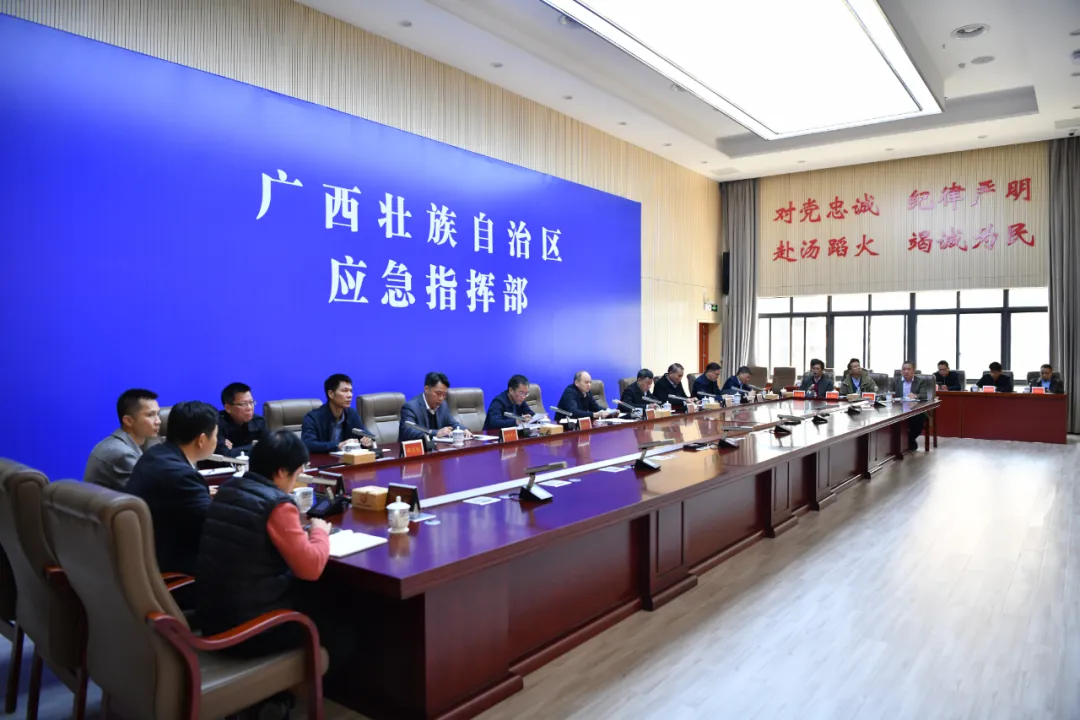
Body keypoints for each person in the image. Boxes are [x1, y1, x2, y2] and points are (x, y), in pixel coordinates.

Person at [196, 430, 353, 718]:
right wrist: (319, 532)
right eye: (298, 470)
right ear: (281, 471)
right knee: (342, 631)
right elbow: (311, 568)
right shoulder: (277, 505)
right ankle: (280, 699)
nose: (300, 476)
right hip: (247, 630)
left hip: (210, 616)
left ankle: (274, 697)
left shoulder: (229, 488)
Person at [126, 401, 217, 575]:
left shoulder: (154, 454)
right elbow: (215, 526)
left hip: (149, 554)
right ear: (201, 440)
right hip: (175, 567)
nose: (216, 440)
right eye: (216, 435)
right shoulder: (183, 477)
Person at [84, 388, 161, 490]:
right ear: (128, 421)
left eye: (158, 414)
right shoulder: (122, 454)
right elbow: (151, 492)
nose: (158, 421)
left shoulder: (125, 443)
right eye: (150, 415)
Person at [301, 374, 373, 453]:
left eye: (350, 391)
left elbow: (366, 434)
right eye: (345, 391)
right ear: (331, 394)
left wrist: (368, 440)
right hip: (323, 459)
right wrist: (337, 445)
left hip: (347, 459)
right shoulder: (313, 418)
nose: (350, 395)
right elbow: (308, 444)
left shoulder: (352, 414)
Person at [399, 372, 470, 441]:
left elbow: (452, 423)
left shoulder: (443, 405)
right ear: (426, 389)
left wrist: (463, 430)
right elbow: (408, 431)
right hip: (417, 447)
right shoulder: (411, 407)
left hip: (437, 447)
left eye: (444, 395)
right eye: (438, 393)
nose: (441, 398)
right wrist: (436, 433)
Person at [216, 382, 268, 457]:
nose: (249, 408)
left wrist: (234, 450)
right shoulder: (216, 425)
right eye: (243, 404)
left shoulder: (259, 422)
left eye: (251, 402)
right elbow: (225, 455)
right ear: (228, 408)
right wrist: (257, 446)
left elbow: (269, 448)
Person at [890, 361, 932, 451]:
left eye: (908, 369)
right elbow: (888, 393)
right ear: (901, 371)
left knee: (919, 419)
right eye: (904, 369)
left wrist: (916, 395)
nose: (906, 371)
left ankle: (909, 439)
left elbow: (924, 395)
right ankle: (898, 443)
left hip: (914, 408)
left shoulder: (920, 381)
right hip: (898, 408)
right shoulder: (894, 381)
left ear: (913, 371)